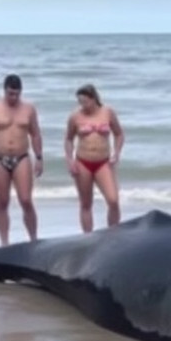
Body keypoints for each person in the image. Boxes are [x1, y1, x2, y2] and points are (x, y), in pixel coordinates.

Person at [0, 74, 44, 245]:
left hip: (21, 158)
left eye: (16, 94)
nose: (13, 97)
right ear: (4, 91)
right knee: (2, 202)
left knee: (26, 200)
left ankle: (33, 239)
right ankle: (4, 242)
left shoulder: (29, 109)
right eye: (10, 94)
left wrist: (39, 158)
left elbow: (35, 134)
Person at [64, 83, 125, 233]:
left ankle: (113, 233)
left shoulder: (108, 112)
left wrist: (116, 153)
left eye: (85, 102)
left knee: (113, 200)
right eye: (80, 102)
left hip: (103, 163)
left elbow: (119, 134)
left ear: (93, 99)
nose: (83, 105)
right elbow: (68, 139)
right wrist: (70, 160)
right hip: (83, 162)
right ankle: (88, 236)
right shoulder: (75, 117)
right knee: (86, 204)